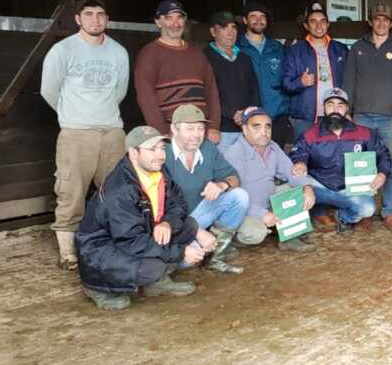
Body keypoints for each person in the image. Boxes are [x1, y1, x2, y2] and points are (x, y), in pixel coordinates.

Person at [76, 126, 217, 310]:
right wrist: (181, 252)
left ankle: (155, 283)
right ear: (133, 153)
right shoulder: (119, 189)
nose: (160, 155)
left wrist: (167, 222)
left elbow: (178, 203)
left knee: (189, 225)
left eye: (161, 148)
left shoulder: (158, 171)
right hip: (101, 249)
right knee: (152, 268)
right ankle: (97, 287)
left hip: (137, 234)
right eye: (152, 149)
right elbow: (131, 240)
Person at [40, 0, 131, 270]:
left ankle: (119, 242)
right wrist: (74, 115)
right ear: (78, 19)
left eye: (101, 14)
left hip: (112, 131)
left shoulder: (118, 51)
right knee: (71, 189)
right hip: (76, 132)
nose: (95, 19)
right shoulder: (63, 50)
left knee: (118, 189)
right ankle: (68, 253)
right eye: (89, 14)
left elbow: (120, 91)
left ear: (107, 19)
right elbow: (49, 91)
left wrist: (101, 114)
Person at [341, 3, 392, 231]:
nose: (381, 23)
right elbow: (348, 82)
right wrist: (347, 113)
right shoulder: (357, 48)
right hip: (361, 117)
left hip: (390, 118)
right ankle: (364, 211)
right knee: (360, 166)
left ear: (391, 24)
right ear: (370, 22)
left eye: (386, 20)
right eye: (377, 19)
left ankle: (390, 212)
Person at [164, 104, 252, 274]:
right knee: (187, 261)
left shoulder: (208, 148)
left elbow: (234, 177)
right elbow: (159, 210)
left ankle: (215, 255)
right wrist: (196, 233)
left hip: (200, 214)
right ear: (174, 129)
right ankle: (200, 246)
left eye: (200, 128)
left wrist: (221, 185)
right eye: (190, 128)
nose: (196, 134)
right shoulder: (162, 154)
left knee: (240, 196)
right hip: (172, 223)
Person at [290, 88, 390, 235]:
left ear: (347, 109)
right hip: (318, 186)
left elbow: (383, 154)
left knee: (367, 208)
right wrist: (300, 162)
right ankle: (297, 230)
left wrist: (382, 173)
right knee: (292, 185)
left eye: (340, 105)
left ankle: (343, 218)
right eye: (330, 104)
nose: (335, 109)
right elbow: (298, 152)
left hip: (348, 188)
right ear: (323, 107)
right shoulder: (310, 134)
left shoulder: (365, 133)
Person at [223, 107, 316, 252]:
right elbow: (231, 198)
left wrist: (307, 187)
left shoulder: (272, 146)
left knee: (298, 190)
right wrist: (262, 214)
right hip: (244, 209)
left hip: (268, 201)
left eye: (268, 126)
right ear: (245, 129)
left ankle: (288, 238)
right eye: (256, 127)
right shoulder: (234, 153)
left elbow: (290, 172)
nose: (264, 132)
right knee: (255, 234)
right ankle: (232, 238)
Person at [135, 0, 222, 142]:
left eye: (179, 17)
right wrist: (161, 132)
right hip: (172, 132)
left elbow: (211, 91)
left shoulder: (197, 53)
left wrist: (214, 126)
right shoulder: (149, 54)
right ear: (158, 22)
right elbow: (146, 98)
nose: (175, 24)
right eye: (168, 18)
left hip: (201, 131)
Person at [282, 2, 349, 140]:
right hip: (304, 117)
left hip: (335, 115)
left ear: (328, 24)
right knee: (303, 157)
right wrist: (300, 82)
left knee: (332, 157)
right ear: (306, 26)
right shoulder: (295, 51)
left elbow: (351, 82)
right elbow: (286, 83)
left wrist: (348, 110)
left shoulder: (340, 49)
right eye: (313, 22)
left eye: (322, 21)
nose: (318, 26)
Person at [237, 1, 293, 149]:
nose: (258, 20)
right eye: (253, 16)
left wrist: (285, 108)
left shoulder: (277, 48)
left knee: (275, 159)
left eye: (262, 17)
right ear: (245, 20)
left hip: (276, 114)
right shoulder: (237, 48)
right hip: (247, 116)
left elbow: (286, 79)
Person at [203, 10, 261, 151]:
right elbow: (203, 94)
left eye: (233, 27)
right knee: (224, 171)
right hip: (219, 130)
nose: (230, 32)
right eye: (223, 28)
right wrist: (231, 113)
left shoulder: (244, 58)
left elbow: (254, 90)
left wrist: (250, 114)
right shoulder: (204, 58)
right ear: (213, 32)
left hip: (246, 129)